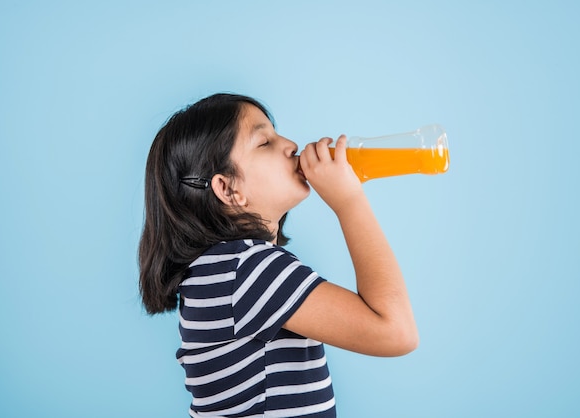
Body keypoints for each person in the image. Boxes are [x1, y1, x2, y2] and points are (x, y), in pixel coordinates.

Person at [138, 93, 419, 417]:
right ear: (228, 189)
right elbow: (396, 332)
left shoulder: (223, 271)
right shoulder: (248, 271)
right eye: (265, 142)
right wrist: (350, 201)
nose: (290, 145)